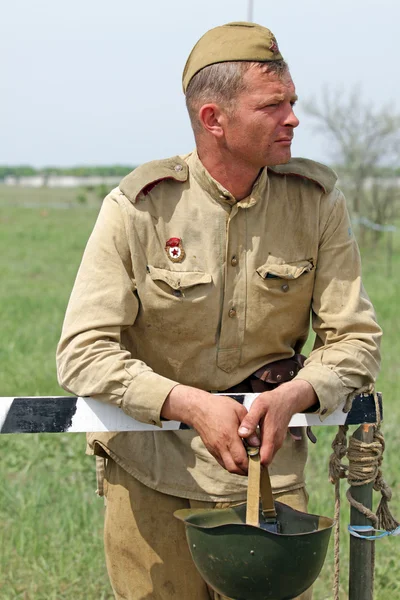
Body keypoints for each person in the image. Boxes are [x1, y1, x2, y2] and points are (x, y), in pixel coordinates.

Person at [56, 21, 381, 600]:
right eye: (273, 105)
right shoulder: (140, 209)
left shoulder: (316, 202)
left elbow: (355, 340)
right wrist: (186, 404)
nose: (293, 119)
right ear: (214, 119)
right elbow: (82, 353)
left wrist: (295, 395)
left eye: (292, 102)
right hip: (152, 473)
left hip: (268, 474)